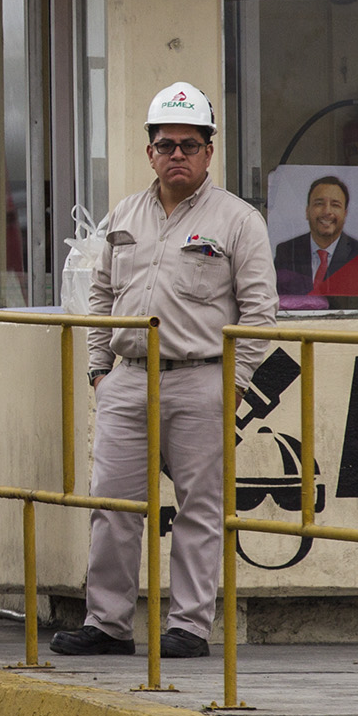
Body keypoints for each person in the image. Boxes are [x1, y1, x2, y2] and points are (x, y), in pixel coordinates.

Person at [52, 81, 277, 660]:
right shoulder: (125, 213)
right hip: (127, 377)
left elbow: (260, 313)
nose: (177, 153)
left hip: (202, 377)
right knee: (114, 505)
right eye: (165, 143)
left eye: (190, 143)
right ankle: (107, 623)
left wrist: (234, 383)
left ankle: (189, 627)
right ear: (149, 150)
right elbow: (99, 294)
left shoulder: (238, 220)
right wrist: (100, 368)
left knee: (199, 507)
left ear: (209, 151)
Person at [273, 174, 358, 305]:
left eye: (335, 205)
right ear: (307, 211)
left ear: (345, 214)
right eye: (319, 204)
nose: (327, 211)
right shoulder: (287, 250)